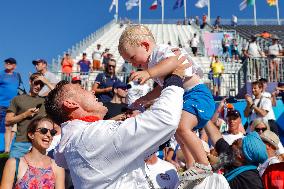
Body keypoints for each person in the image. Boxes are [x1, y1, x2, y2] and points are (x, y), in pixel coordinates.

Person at [44, 63, 186, 188]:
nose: (92, 91)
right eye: (82, 89)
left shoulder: (79, 139)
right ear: (71, 104)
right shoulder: (89, 136)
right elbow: (165, 119)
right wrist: (174, 77)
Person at [118, 25, 215, 187]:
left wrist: (149, 73)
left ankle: (203, 164)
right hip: (189, 97)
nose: (134, 64)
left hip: (198, 94)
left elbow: (173, 62)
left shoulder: (160, 52)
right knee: (177, 131)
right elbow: (163, 87)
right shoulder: (156, 65)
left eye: (133, 58)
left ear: (146, 46)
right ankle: (192, 165)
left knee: (182, 127)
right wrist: (146, 98)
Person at [1, 117, 65, 188]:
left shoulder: (57, 167)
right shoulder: (14, 164)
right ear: (31, 135)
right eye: (44, 131)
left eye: (52, 132)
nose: (48, 135)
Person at [205, 123, 267, 189]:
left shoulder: (252, 182)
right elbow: (216, 136)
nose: (232, 143)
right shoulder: (233, 157)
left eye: (236, 144)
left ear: (240, 155)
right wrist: (203, 117)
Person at [5, 73, 47, 158]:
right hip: (21, 144)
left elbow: (62, 95)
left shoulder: (45, 102)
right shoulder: (17, 99)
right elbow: (8, 120)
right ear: (30, 82)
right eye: (36, 82)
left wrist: (47, 82)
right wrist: (25, 114)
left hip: (39, 144)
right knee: (14, 170)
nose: (38, 86)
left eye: (41, 84)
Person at [0, 58, 23, 152]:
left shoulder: (17, 76)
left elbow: (21, 89)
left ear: (14, 66)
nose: (8, 64)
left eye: (11, 63)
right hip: (1, 104)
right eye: (7, 62)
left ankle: (6, 150)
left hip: (12, 106)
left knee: (8, 126)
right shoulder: (1, 74)